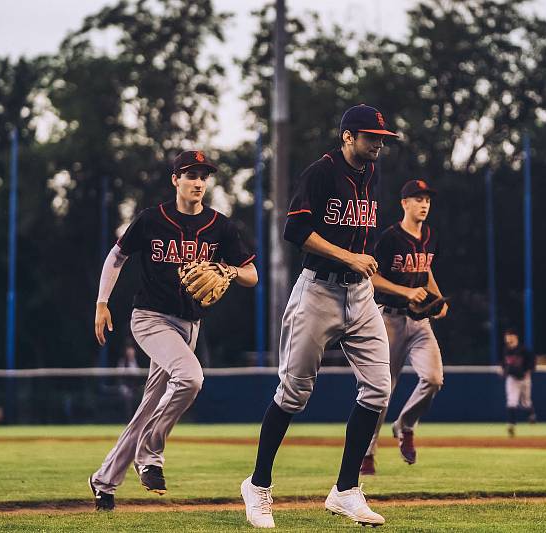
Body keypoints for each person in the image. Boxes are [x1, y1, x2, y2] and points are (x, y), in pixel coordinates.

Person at [241, 104, 397, 528]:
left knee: (379, 389)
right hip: (319, 292)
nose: (378, 143)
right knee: (293, 392)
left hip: (360, 295)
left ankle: (346, 490)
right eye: (371, 136)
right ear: (347, 136)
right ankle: (257, 486)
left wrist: (359, 264)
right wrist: (349, 256)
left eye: (382, 137)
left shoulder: (372, 173)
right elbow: (295, 232)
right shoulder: (320, 173)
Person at [89, 150, 258, 511]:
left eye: (203, 175)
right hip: (150, 318)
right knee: (191, 378)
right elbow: (116, 256)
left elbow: (252, 274)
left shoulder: (220, 226)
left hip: (189, 325)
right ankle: (150, 455)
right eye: (190, 174)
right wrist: (103, 302)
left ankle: (104, 480)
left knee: (150, 404)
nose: (198, 181)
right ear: (175, 181)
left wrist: (227, 271)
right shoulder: (153, 220)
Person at [360, 179, 447, 475]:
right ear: (404, 203)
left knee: (434, 379)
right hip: (390, 319)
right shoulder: (390, 238)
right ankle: (367, 452)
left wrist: (437, 297)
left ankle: (405, 425)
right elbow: (372, 278)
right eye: (417, 198)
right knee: (383, 389)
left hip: (420, 322)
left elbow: (425, 269)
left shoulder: (431, 236)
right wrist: (407, 292)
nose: (424, 204)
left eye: (427, 199)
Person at [501, 328, 536, 437]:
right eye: (507, 335)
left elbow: (531, 363)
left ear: (515, 337)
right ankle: (511, 425)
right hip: (512, 379)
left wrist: (527, 372)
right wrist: (503, 370)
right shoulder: (506, 350)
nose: (508, 338)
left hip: (524, 378)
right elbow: (504, 364)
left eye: (510, 335)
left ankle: (531, 414)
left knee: (526, 402)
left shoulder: (524, 350)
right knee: (512, 401)